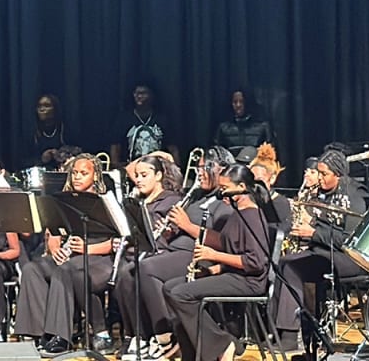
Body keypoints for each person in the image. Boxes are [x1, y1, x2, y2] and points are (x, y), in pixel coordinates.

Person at [162, 164, 270, 361]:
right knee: (171, 287)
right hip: (234, 274)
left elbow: (255, 262)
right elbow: (226, 242)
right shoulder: (238, 213)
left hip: (249, 281)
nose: (221, 194)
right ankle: (192, 353)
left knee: (181, 294)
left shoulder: (252, 216)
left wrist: (214, 255)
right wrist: (212, 269)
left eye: (225, 188)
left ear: (242, 187)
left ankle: (222, 345)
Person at [14, 154, 116, 355]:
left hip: (99, 259)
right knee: (33, 268)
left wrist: (87, 249)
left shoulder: (106, 201)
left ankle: (60, 335)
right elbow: (54, 231)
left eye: (84, 173)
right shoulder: (64, 200)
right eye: (75, 173)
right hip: (71, 257)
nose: (78, 177)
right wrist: (55, 250)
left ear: (95, 176)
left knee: (65, 270)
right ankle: (36, 333)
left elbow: (118, 242)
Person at [272, 148, 367, 351]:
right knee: (283, 263)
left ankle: (290, 335)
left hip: (347, 258)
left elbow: (349, 240)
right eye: (320, 173)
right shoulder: (320, 193)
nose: (320, 178)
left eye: (324, 174)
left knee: (294, 268)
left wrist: (313, 232)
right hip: (321, 250)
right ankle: (278, 330)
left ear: (338, 174)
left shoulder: (354, 197)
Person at [113, 154, 182, 358]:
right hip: (139, 254)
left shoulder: (171, 200)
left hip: (162, 256)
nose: (139, 180)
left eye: (144, 175)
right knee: (124, 275)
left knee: (132, 272)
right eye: (137, 176)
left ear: (159, 175)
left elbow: (173, 236)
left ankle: (162, 334)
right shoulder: (137, 202)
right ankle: (136, 335)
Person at [110, 85, 177, 164]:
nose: (139, 96)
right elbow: (115, 146)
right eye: (136, 93)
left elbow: (173, 148)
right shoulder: (124, 119)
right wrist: (115, 166)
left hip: (156, 169)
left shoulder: (162, 119)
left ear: (152, 95)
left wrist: (176, 170)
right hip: (130, 168)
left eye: (143, 93)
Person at [212, 90, 276, 155]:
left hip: (255, 163)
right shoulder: (223, 128)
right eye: (235, 102)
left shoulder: (263, 127)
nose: (238, 105)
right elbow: (216, 153)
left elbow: (270, 154)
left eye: (241, 101)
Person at [25, 93, 68, 170]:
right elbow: (23, 161)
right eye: (39, 106)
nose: (42, 109)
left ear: (55, 109)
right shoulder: (31, 131)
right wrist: (42, 159)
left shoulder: (65, 128)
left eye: (47, 106)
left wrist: (60, 155)